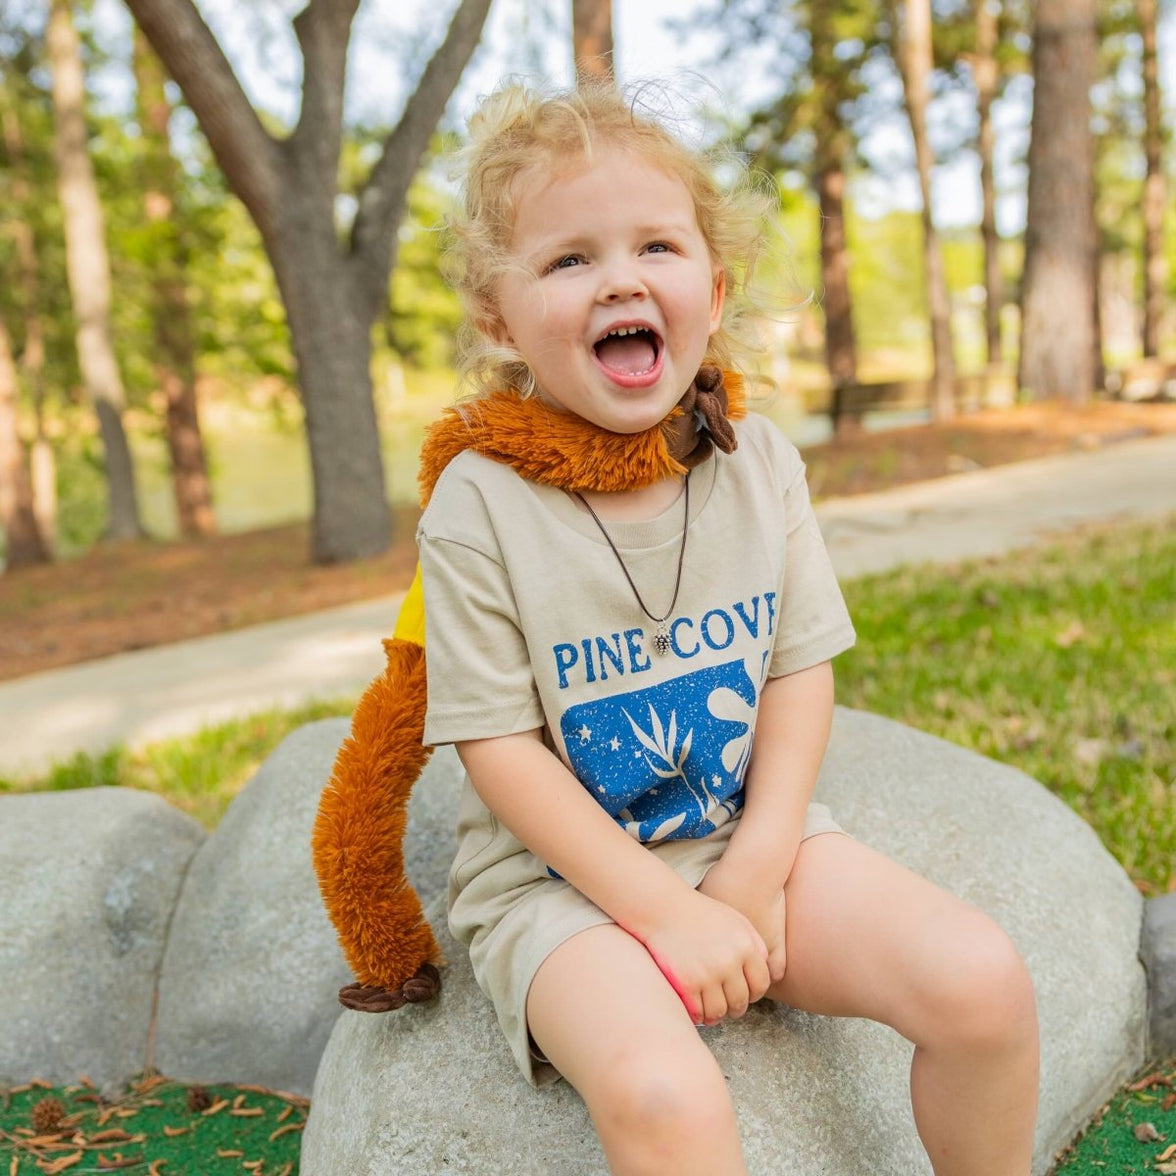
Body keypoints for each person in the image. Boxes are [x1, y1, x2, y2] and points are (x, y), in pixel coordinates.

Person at [416, 81, 1039, 1176]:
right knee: (668, 1098)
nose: (620, 277)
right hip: (564, 890)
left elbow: (799, 676)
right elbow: (498, 750)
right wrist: (666, 912)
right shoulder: (477, 500)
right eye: (568, 260)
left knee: (983, 980)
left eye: (655, 245)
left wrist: (752, 873)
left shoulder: (762, 465)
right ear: (495, 317)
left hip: (753, 841)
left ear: (714, 283)